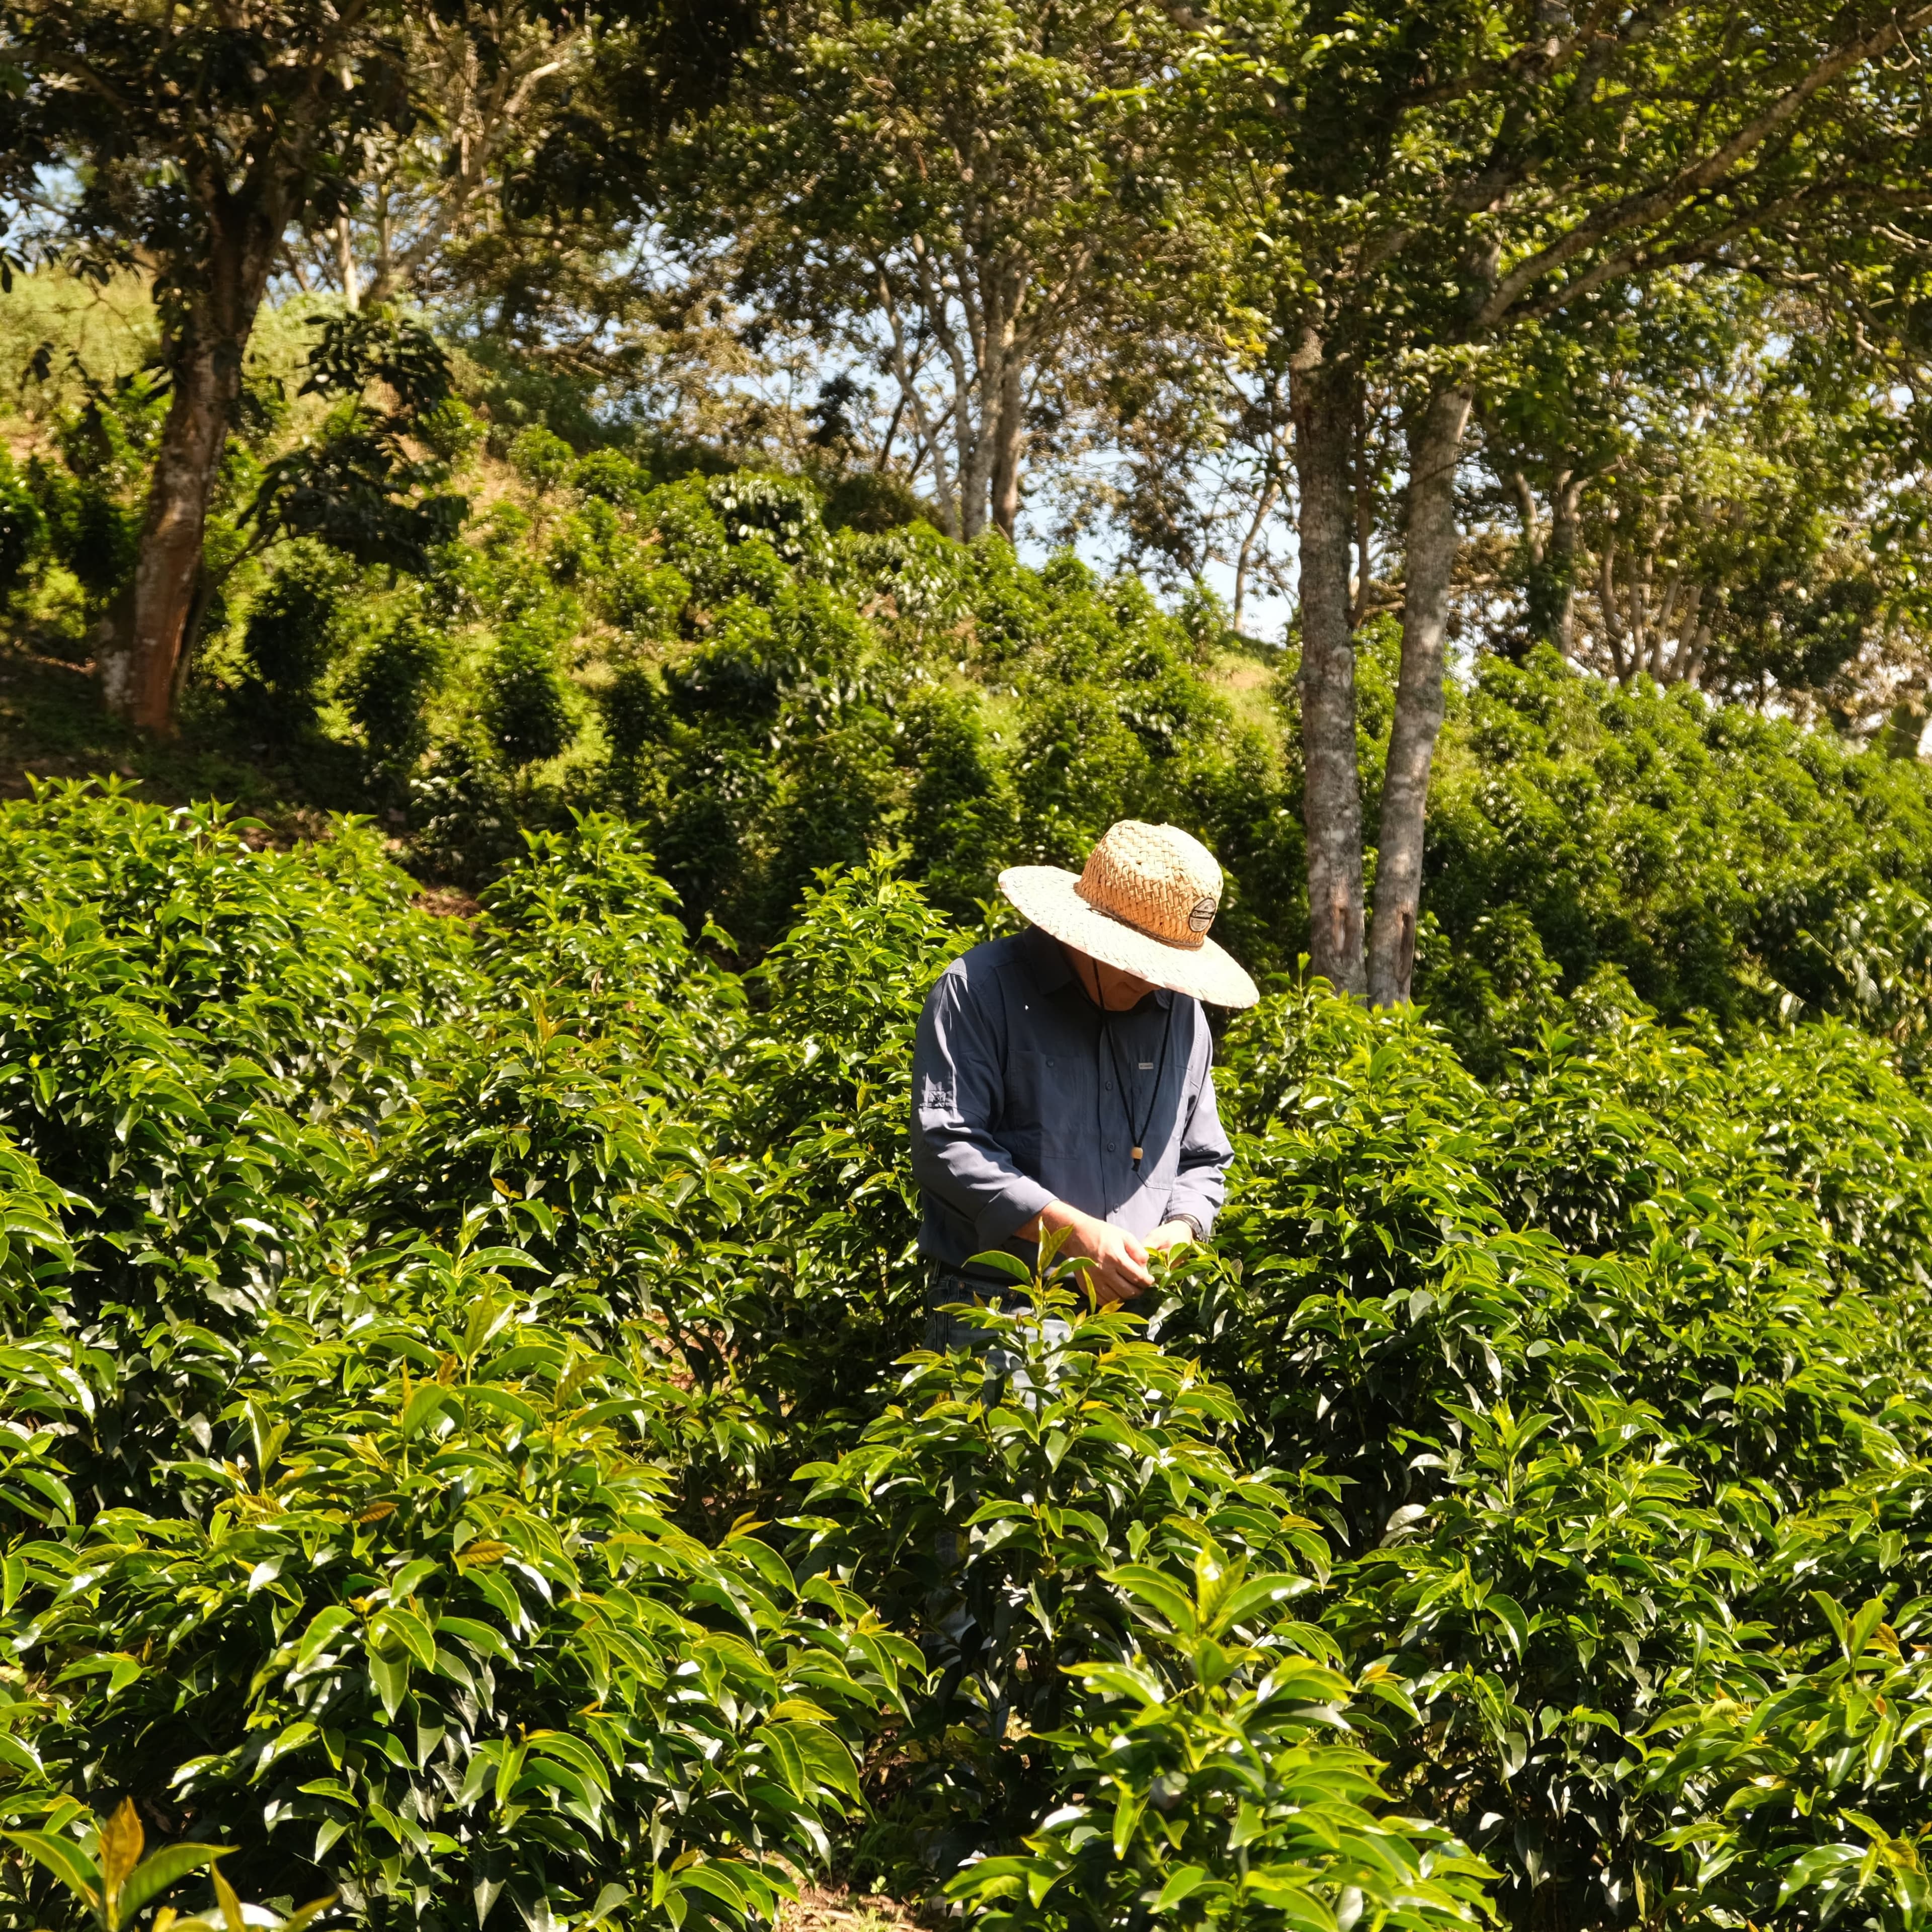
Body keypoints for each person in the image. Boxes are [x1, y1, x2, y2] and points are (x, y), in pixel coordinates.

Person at [910, 819, 1260, 1346]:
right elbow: (946, 1144)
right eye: (1139, 960)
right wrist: (1072, 1236)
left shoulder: (1182, 1016)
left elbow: (1205, 1159)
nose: (1148, 979)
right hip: (1001, 1314)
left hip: (1141, 1330)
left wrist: (1182, 1228)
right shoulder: (982, 990)